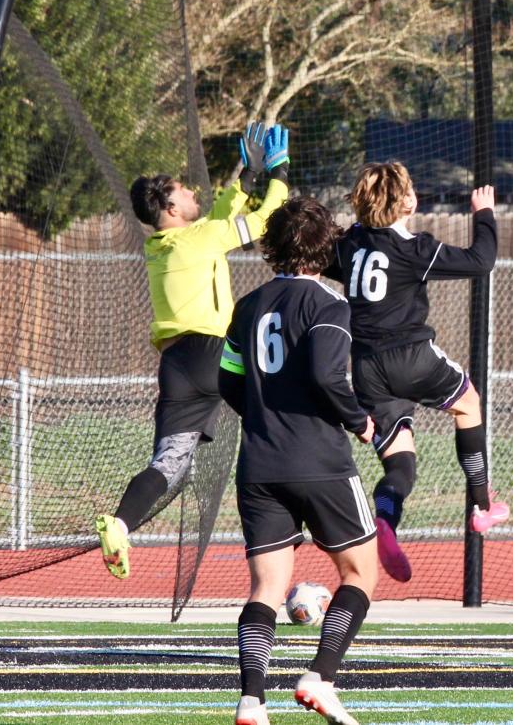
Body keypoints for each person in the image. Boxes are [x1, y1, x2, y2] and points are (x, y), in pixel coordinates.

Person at [94, 122, 290, 580]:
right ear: (169, 206)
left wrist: (245, 179)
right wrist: (278, 173)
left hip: (177, 364)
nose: (192, 193)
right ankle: (290, 517)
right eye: (184, 191)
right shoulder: (199, 239)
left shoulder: (164, 245)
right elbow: (261, 223)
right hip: (213, 352)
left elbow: (218, 216)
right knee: (277, 417)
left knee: (170, 464)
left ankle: (120, 525)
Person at [219, 195, 378, 725]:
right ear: (325, 246)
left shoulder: (247, 306)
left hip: (259, 466)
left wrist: (264, 418)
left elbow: (227, 382)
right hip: (321, 462)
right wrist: (359, 420)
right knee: (359, 572)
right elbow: (328, 376)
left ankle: (250, 701)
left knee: (265, 587)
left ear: (270, 247)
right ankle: (320, 677)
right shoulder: (330, 306)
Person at [321, 162, 507, 583]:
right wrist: (483, 213)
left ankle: (385, 520)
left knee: (400, 466)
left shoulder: (349, 245)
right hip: (412, 357)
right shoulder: (413, 248)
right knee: (469, 404)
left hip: (366, 369)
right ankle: (482, 505)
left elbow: (332, 261)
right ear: (408, 201)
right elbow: (482, 261)